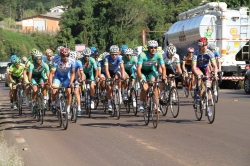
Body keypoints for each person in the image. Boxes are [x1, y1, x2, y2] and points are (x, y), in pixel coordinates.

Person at [137, 40, 166, 113]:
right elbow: (138, 69)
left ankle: (156, 105)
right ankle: (141, 103)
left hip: (151, 71)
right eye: (151, 48)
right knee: (145, 88)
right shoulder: (143, 55)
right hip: (142, 72)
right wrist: (142, 80)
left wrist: (164, 77)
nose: (153, 49)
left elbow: (163, 68)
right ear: (148, 48)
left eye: (155, 47)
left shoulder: (159, 55)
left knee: (154, 85)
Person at [49, 47, 76, 119]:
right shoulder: (56, 61)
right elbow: (51, 74)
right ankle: (53, 103)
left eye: (67, 55)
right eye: (64, 56)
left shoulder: (72, 61)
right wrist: (50, 84)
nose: (65, 57)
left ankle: (68, 109)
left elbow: (73, 73)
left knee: (69, 92)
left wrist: (71, 82)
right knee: (54, 90)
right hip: (57, 77)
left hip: (66, 78)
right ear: (60, 55)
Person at [192, 37, 218, 104]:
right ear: (199, 46)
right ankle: (198, 91)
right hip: (197, 68)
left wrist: (215, 74)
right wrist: (198, 74)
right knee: (200, 76)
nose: (204, 47)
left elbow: (215, 66)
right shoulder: (196, 53)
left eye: (205, 45)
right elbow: (194, 67)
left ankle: (208, 100)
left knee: (208, 84)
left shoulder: (210, 53)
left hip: (205, 67)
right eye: (202, 46)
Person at [105, 45, 125, 113]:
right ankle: (109, 104)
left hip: (116, 70)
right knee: (109, 87)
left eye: (116, 54)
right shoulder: (106, 58)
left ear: (118, 53)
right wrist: (109, 78)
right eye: (112, 54)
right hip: (109, 72)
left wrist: (122, 76)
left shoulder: (119, 58)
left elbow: (122, 68)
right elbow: (106, 69)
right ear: (110, 53)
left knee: (117, 77)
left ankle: (119, 92)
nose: (114, 56)